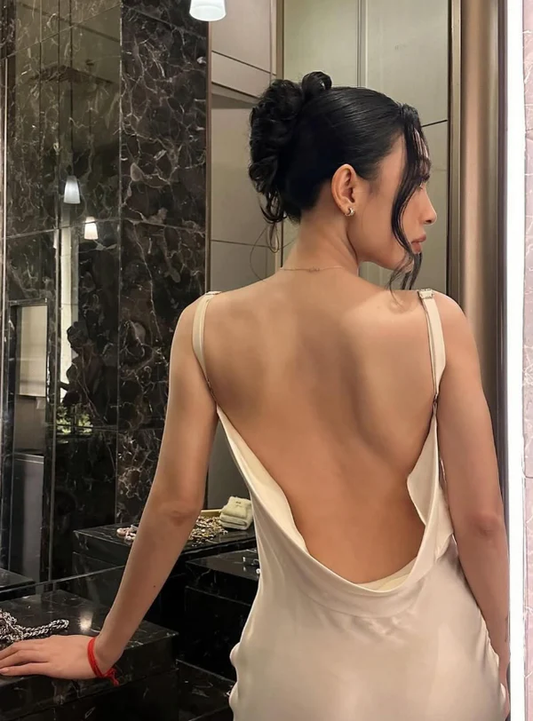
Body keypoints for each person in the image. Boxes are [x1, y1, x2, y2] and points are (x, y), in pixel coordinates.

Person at [0, 72, 509, 720]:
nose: (428, 209)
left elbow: (174, 507)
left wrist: (104, 650)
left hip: (294, 681)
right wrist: (503, 649)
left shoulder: (206, 326)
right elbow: (481, 520)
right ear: (349, 188)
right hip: (439, 675)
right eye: (415, 182)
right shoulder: (437, 322)